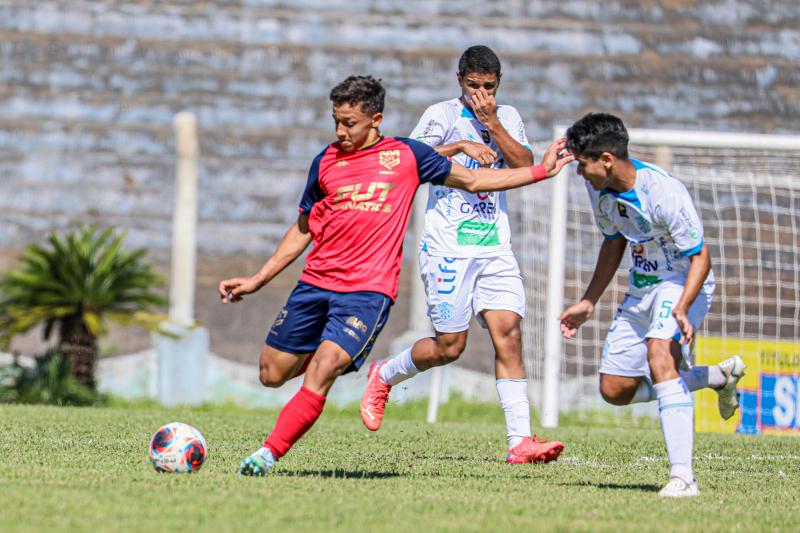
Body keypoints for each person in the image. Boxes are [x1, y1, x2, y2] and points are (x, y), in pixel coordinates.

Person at [219, 75, 573, 476]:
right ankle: (335, 361)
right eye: (336, 120)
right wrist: (258, 278)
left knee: (323, 370)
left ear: (376, 119)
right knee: (271, 374)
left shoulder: (405, 156)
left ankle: (267, 454)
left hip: (367, 293)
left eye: (349, 122)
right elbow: (304, 226)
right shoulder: (325, 161)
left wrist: (542, 172)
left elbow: (475, 180)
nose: (340, 131)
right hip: (315, 283)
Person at [359, 45, 562, 464]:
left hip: (493, 247)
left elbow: (524, 164)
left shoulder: (507, 117)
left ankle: (519, 441)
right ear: (460, 81)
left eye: (489, 87)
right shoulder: (442, 115)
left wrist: (492, 126)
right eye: (473, 87)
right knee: (450, 347)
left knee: (509, 334)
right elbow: (407, 161)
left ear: (499, 84)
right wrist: (462, 144)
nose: (481, 95)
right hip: (448, 248)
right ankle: (385, 374)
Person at [557, 112, 746, 497]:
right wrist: (589, 301)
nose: (580, 173)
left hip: (682, 283)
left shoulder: (664, 192)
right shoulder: (601, 191)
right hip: (642, 289)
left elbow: (700, 256)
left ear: (606, 160)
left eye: (583, 165)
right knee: (614, 389)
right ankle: (717, 378)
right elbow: (614, 242)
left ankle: (683, 478)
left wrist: (682, 307)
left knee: (660, 353)